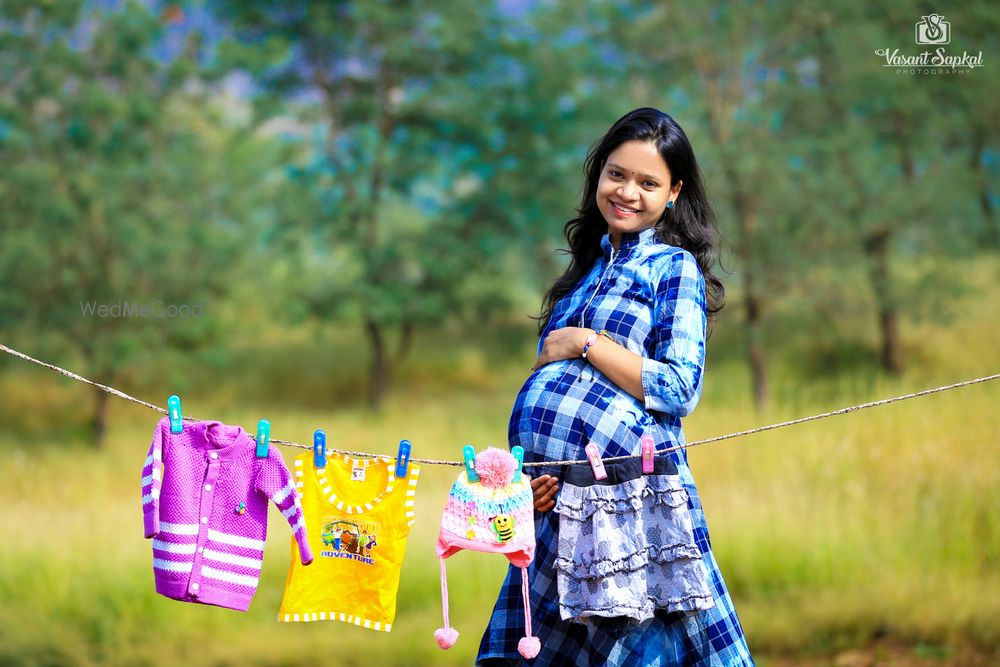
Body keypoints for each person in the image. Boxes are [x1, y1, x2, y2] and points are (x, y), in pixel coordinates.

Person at [476, 108, 754, 666]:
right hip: (560, 511)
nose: (627, 192)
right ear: (598, 173)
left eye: (648, 183)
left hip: (628, 511)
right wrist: (521, 495)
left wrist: (585, 343)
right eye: (616, 174)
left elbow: (679, 387)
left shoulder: (673, 269)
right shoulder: (583, 275)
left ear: (673, 192)